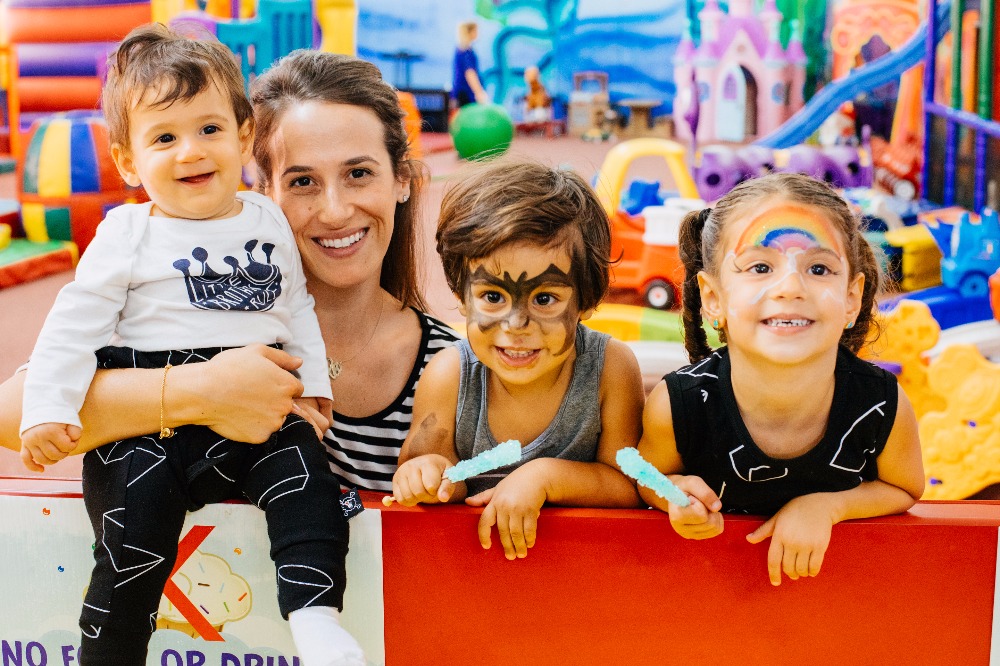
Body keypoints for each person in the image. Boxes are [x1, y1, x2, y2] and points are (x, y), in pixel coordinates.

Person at [17, 25, 363, 666]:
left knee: (309, 485)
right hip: (154, 432)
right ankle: (111, 654)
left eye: (209, 129)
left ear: (242, 133)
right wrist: (48, 408)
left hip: (262, 411)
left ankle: (316, 618)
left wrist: (315, 383)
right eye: (164, 138)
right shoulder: (126, 234)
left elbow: (294, 307)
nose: (191, 152)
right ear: (128, 161)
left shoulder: (266, 218)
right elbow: (74, 326)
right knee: (131, 544)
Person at [0, 50, 458, 487]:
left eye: (359, 173)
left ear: (402, 179)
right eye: (302, 181)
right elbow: (11, 413)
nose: (335, 211)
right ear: (262, 193)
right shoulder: (172, 311)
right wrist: (201, 389)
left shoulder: (455, 362)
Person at [636, 173, 924, 586]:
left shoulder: (881, 406)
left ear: (851, 298)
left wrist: (826, 508)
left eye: (819, 268)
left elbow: (904, 489)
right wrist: (672, 493)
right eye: (760, 266)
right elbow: (645, 478)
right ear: (714, 298)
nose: (790, 287)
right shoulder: (677, 406)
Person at [389, 158, 645, 560]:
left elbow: (628, 485)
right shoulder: (449, 375)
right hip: (474, 578)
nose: (517, 324)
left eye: (545, 299)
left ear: (586, 300)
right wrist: (425, 477)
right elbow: (437, 474)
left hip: (579, 577)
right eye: (493, 297)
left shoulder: (610, 368)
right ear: (461, 294)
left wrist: (542, 477)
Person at [451, 21, 490, 107]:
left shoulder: (461, 49)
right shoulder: (466, 51)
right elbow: (470, 73)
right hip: (467, 94)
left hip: (462, 92)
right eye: (476, 31)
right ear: (471, 32)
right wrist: (479, 92)